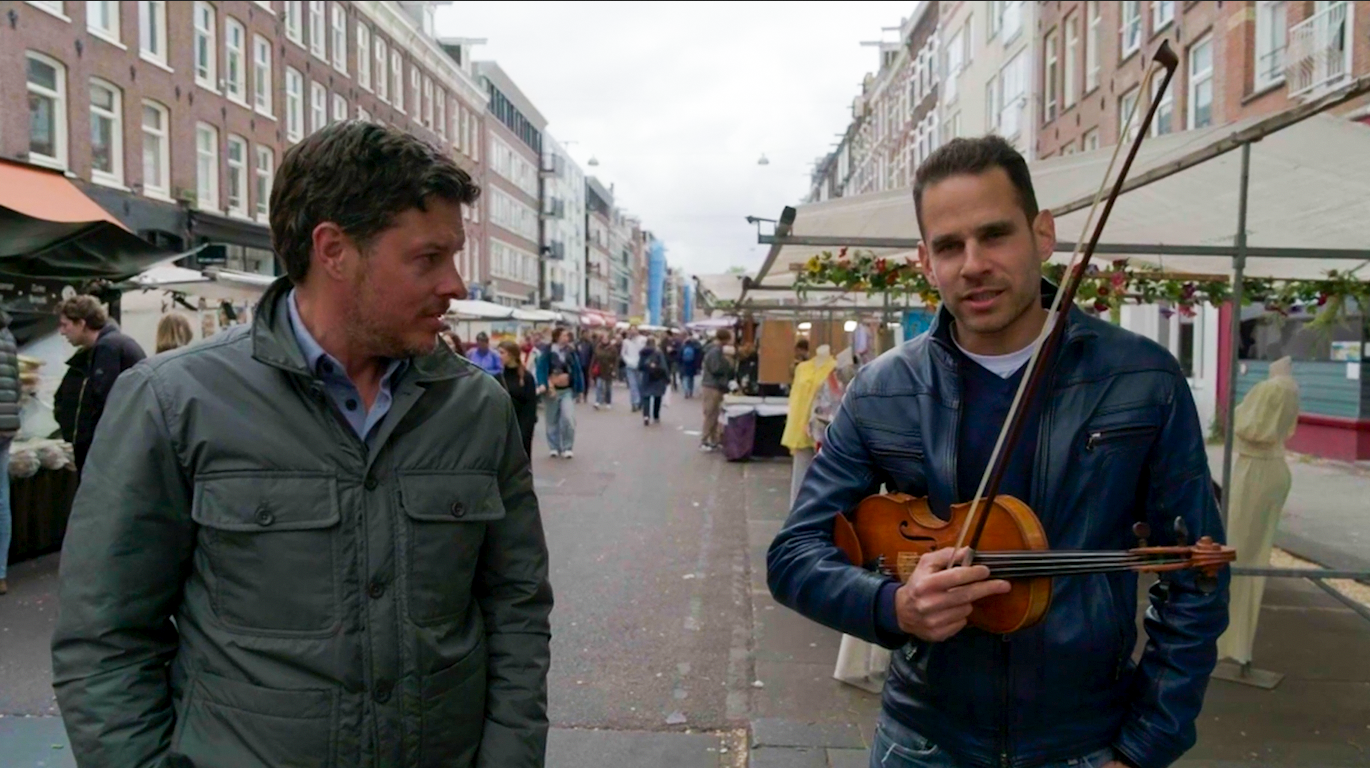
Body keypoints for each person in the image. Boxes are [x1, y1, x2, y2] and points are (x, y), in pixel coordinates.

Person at [51, 121, 553, 768]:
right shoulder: (173, 402)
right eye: (429, 258)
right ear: (334, 250)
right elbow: (105, 639)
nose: (455, 284)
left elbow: (516, 609)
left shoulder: (476, 407)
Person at [767, 136, 1228, 768]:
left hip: (1087, 741)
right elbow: (794, 554)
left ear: (1043, 235)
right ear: (926, 262)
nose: (973, 263)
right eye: (949, 246)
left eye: (994, 235)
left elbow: (1197, 575)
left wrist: (1145, 748)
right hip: (924, 738)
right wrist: (892, 605)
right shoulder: (884, 389)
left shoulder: (1142, 378)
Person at [1217, 356, 1301, 668]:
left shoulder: (1272, 388)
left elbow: (1250, 427)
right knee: (1252, 554)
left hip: (1256, 470)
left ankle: (1232, 642)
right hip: (1271, 468)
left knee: (1238, 553)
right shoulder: (1290, 388)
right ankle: (1237, 643)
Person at [53, 295, 146, 471]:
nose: (62, 332)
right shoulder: (114, 343)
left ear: (81, 324)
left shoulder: (107, 348)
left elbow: (104, 398)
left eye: (66, 325)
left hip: (110, 446)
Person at [536, 326, 584, 458]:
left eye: (567, 336)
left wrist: (580, 389)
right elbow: (541, 369)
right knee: (552, 420)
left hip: (566, 390)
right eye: (564, 335)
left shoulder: (571, 351)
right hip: (552, 390)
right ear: (557, 337)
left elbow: (577, 370)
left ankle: (568, 447)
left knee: (568, 418)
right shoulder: (548, 351)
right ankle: (554, 447)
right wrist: (543, 384)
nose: (566, 338)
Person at [0, 307, 19, 596]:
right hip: (6, 425)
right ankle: (0, 573)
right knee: (1, 499)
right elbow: (14, 382)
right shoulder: (7, 335)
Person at [498, 339, 539, 459]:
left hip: (522, 426)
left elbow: (531, 406)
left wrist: (525, 430)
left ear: (511, 355)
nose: (499, 356)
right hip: (504, 427)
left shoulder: (526, 378)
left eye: (502, 353)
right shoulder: (499, 378)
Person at [699, 329, 736, 452]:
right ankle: (704, 440)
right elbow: (716, 369)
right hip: (712, 386)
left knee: (714, 414)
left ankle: (713, 440)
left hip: (713, 385)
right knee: (710, 414)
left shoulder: (716, 350)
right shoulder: (715, 351)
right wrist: (728, 363)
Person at [637, 336, 670, 426]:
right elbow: (664, 366)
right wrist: (667, 377)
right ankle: (656, 416)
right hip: (658, 377)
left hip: (646, 377)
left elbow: (639, 366)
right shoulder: (658, 353)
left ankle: (646, 416)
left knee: (646, 397)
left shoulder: (642, 353)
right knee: (657, 396)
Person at [620, 326, 647, 412]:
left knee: (640, 384)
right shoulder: (626, 342)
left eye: (634, 330)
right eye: (631, 330)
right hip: (630, 366)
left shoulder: (643, 340)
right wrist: (628, 361)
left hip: (640, 365)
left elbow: (645, 351)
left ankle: (641, 401)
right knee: (632, 385)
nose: (633, 332)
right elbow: (623, 353)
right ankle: (634, 402)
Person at [593, 332, 619, 410]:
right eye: (603, 339)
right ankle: (597, 401)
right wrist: (592, 369)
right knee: (599, 386)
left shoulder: (612, 349)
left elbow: (616, 360)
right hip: (600, 369)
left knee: (608, 387)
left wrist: (614, 370)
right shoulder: (598, 347)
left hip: (609, 370)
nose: (605, 340)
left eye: (606, 339)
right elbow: (594, 359)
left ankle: (608, 402)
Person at [679, 333, 703, 399]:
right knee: (691, 379)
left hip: (684, 364)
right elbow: (698, 357)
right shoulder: (695, 347)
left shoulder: (683, 347)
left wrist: (680, 363)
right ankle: (691, 392)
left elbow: (679, 356)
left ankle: (686, 391)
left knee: (685, 378)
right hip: (692, 365)